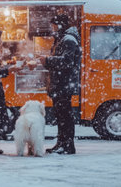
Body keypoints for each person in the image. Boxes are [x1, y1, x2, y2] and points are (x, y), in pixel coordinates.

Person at [39, 14, 81, 154]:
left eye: (54, 25)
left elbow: (67, 61)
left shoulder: (68, 40)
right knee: (61, 116)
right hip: (60, 84)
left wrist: (48, 61)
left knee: (65, 117)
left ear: (60, 25)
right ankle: (61, 143)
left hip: (64, 85)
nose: (52, 28)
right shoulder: (62, 39)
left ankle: (67, 146)